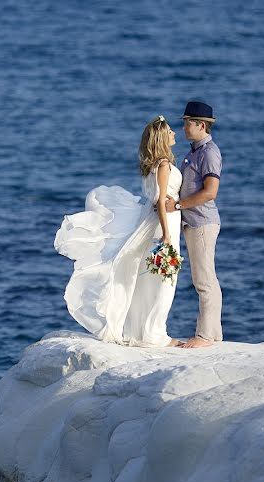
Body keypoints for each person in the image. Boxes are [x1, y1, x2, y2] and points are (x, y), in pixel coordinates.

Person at [54, 116, 184, 347]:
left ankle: (142, 331)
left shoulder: (152, 165)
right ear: (163, 138)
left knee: (150, 280)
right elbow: (162, 202)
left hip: (156, 221)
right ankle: (155, 334)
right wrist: (166, 234)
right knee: (165, 280)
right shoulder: (163, 165)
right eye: (171, 131)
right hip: (163, 224)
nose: (175, 133)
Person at [163, 101, 223, 349]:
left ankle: (206, 336)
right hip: (194, 222)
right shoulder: (195, 152)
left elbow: (211, 192)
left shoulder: (209, 153)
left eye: (188, 122)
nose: (184, 126)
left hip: (202, 223)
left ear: (201, 125)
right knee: (204, 278)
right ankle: (213, 334)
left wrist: (177, 206)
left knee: (204, 280)